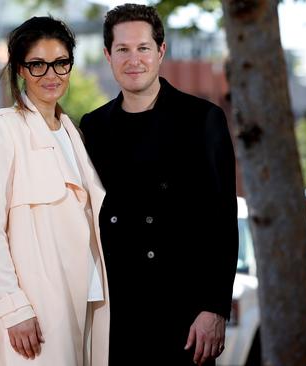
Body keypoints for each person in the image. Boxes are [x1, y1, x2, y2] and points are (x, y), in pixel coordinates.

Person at [79, 4, 238, 366]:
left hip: (183, 318)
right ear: (107, 55)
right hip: (116, 315)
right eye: (122, 49)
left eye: (143, 48)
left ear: (160, 51)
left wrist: (214, 309)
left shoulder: (202, 120)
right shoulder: (93, 127)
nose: (133, 59)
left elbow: (223, 222)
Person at [0, 16, 110, 366]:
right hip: (36, 311)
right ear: (21, 68)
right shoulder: (3, 130)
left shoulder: (72, 133)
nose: (51, 75)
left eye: (60, 63)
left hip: (86, 301)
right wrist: (14, 307)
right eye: (38, 65)